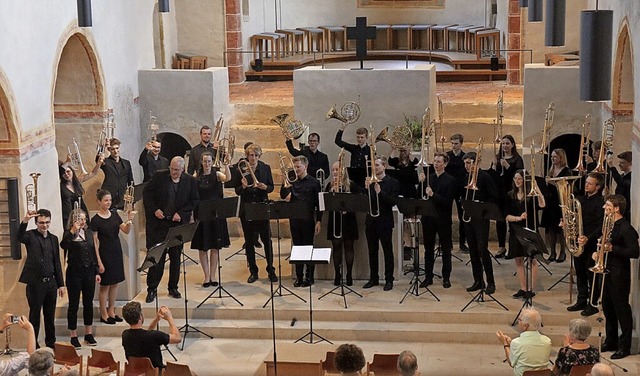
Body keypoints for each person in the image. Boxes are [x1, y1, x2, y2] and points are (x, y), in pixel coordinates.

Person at [143, 156, 199, 303]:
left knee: (175, 259)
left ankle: (173, 287)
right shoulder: (159, 176)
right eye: (172, 169)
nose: (173, 172)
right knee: (157, 259)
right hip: (159, 225)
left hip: (176, 225)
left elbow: (194, 200)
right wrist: (154, 209)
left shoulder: (190, 181)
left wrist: (181, 213)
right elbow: (147, 193)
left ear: (182, 169)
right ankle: (152, 289)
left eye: (176, 170)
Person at [18, 208, 66, 349]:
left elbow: (57, 261)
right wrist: (25, 220)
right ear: (36, 223)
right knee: (35, 316)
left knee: (50, 316)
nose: (44, 225)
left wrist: (61, 284)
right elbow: (19, 236)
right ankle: (34, 346)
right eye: (41, 223)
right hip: (35, 283)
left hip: (51, 283)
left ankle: (51, 345)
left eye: (47, 222)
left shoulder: (53, 239)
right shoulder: (30, 236)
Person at [599, 195, 638, 359]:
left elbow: (635, 252)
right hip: (607, 271)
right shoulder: (609, 225)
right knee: (608, 308)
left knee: (622, 310)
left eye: (607, 205)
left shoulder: (626, 228)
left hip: (619, 274)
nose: (604, 208)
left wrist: (612, 248)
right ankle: (611, 340)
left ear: (616, 208)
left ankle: (625, 346)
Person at [234, 144, 277, 283]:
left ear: (259, 156)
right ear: (247, 156)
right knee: (250, 241)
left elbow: (270, 187)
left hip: (262, 207)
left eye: (255, 155)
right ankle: (253, 271)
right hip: (247, 209)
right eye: (250, 155)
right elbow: (237, 190)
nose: (253, 158)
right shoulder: (241, 169)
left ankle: (271, 269)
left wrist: (265, 187)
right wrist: (243, 186)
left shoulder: (265, 168)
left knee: (267, 241)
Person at [91, 189, 134, 323]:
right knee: (105, 285)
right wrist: (99, 262)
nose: (108, 202)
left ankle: (112, 311)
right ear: (99, 202)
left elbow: (126, 230)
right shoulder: (95, 220)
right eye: (105, 200)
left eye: (109, 200)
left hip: (116, 251)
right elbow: (95, 242)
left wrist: (130, 221)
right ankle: (104, 314)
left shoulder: (115, 215)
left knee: (114, 284)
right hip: (104, 253)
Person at [191, 151, 231, 287]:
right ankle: (206, 276)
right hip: (202, 214)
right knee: (203, 247)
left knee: (215, 246)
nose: (207, 164)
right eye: (204, 161)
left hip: (215, 214)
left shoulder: (217, 174)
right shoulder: (196, 176)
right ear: (201, 162)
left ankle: (213, 276)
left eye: (209, 161)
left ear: (212, 162)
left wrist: (227, 165)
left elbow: (228, 178)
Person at [60, 209, 100, 348]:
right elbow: (63, 245)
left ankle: (88, 334)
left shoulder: (88, 233)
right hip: (74, 273)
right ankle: (73, 335)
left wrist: (96, 272)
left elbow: (93, 253)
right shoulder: (68, 234)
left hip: (88, 272)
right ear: (73, 220)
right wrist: (72, 231)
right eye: (80, 219)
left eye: (84, 219)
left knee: (88, 303)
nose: (83, 222)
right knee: (74, 305)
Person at [281, 156, 322, 287]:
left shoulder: (314, 182)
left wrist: (319, 221)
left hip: (308, 219)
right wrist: (284, 183)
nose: (296, 169)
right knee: (297, 248)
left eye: (298, 167)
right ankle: (299, 277)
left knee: (308, 247)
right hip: (294, 219)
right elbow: (283, 196)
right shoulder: (291, 180)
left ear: (305, 166)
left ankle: (309, 277)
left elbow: (319, 204)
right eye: (295, 167)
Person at [505, 170, 545, 299]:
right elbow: (506, 216)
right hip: (516, 230)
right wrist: (518, 218)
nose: (517, 181)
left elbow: (542, 204)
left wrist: (536, 188)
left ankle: (531, 289)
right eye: (515, 178)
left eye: (520, 179)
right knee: (518, 260)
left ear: (525, 180)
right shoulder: (510, 195)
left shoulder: (531, 196)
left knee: (533, 259)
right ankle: (523, 288)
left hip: (530, 230)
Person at [418, 153, 456, 288]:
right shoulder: (429, 178)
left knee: (446, 249)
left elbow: (447, 202)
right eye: (434, 161)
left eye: (439, 162)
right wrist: (421, 183)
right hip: (428, 218)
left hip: (443, 219)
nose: (436, 164)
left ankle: (446, 277)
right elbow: (421, 197)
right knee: (428, 249)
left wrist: (433, 195)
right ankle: (428, 277)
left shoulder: (451, 181)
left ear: (445, 164)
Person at [463, 151, 499, 294]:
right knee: (472, 250)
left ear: (476, 163)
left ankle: (491, 282)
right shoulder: (466, 177)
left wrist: (481, 204)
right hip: (469, 217)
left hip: (481, 218)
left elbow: (493, 197)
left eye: (469, 163)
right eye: (465, 163)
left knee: (482, 250)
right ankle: (478, 280)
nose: (466, 166)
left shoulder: (485, 177)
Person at [569, 173, 605, 317]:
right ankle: (581, 299)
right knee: (580, 273)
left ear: (598, 186)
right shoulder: (580, 200)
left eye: (590, 183)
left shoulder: (600, 203)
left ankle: (593, 303)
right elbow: (573, 218)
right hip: (578, 242)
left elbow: (600, 226)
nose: (586, 185)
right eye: (587, 182)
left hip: (591, 243)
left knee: (591, 274)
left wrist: (588, 238)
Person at [363, 156, 400, 291]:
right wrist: (366, 188)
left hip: (384, 221)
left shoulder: (392, 182)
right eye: (374, 165)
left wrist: (380, 192)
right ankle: (374, 278)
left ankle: (389, 279)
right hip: (371, 221)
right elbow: (365, 201)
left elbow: (393, 202)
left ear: (384, 166)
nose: (375, 168)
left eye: (378, 165)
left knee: (387, 251)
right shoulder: (370, 182)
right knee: (372, 251)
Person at [326, 161, 360, 286]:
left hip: (348, 220)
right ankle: (337, 274)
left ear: (343, 171)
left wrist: (349, 208)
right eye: (333, 170)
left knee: (349, 247)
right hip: (335, 219)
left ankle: (349, 274)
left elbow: (358, 201)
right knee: (336, 247)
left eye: (337, 170)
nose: (334, 172)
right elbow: (325, 203)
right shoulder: (329, 185)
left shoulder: (351, 185)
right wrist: (332, 193)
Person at [121, 301, 181, 370]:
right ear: (140, 317)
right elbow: (178, 338)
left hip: (136, 370)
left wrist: (156, 319)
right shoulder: (155, 336)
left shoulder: (125, 335)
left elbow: (145, 334)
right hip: (155, 372)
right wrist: (170, 318)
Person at [492, 135, 524, 258]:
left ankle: (513, 248)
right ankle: (501, 247)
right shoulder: (497, 158)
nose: (505, 146)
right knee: (500, 220)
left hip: (512, 193)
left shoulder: (517, 158)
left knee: (512, 220)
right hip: (500, 193)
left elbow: (520, 175)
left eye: (507, 143)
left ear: (512, 145)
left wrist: (507, 166)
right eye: (503, 143)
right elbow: (493, 176)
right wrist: (494, 166)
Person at [496, 307, 552, 376]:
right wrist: (511, 344)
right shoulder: (547, 341)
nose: (518, 322)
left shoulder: (517, 343)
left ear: (526, 326)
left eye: (519, 320)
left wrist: (505, 343)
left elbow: (511, 362)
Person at [541, 148, 572, 262]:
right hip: (550, 202)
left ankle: (563, 252)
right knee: (550, 228)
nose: (553, 159)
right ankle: (552, 252)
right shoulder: (551, 169)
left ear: (561, 158)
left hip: (560, 202)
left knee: (560, 229)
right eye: (552, 157)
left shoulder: (566, 171)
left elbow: (565, 186)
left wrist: (552, 182)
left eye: (555, 157)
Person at [59, 157, 102, 226]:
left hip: (82, 214)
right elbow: (60, 170)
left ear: (72, 171)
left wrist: (99, 163)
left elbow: (93, 173)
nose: (66, 174)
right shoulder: (60, 187)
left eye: (68, 171)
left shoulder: (78, 182)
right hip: (68, 217)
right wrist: (67, 161)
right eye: (64, 173)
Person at [446, 133, 468, 253]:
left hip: (460, 189)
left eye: (456, 144)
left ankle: (462, 243)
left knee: (462, 217)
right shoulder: (447, 156)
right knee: (447, 216)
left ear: (461, 144)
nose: (454, 146)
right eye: (452, 143)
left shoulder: (465, 157)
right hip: (449, 188)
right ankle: (448, 243)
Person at [99, 138, 134, 211]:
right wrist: (103, 147)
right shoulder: (106, 162)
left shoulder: (126, 163)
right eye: (112, 149)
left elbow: (131, 181)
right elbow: (98, 159)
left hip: (122, 196)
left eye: (117, 148)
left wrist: (132, 200)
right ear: (109, 150)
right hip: (109, 195)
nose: (115, 151)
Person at [607, 151, 631, 220]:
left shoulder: (632, 177)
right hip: (619, 208)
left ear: (630, 163)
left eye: (622, 163)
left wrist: (611, 166)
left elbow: (621, 182)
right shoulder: (622, 176)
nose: (619, 165)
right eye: (619, 162)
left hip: (626, 211)